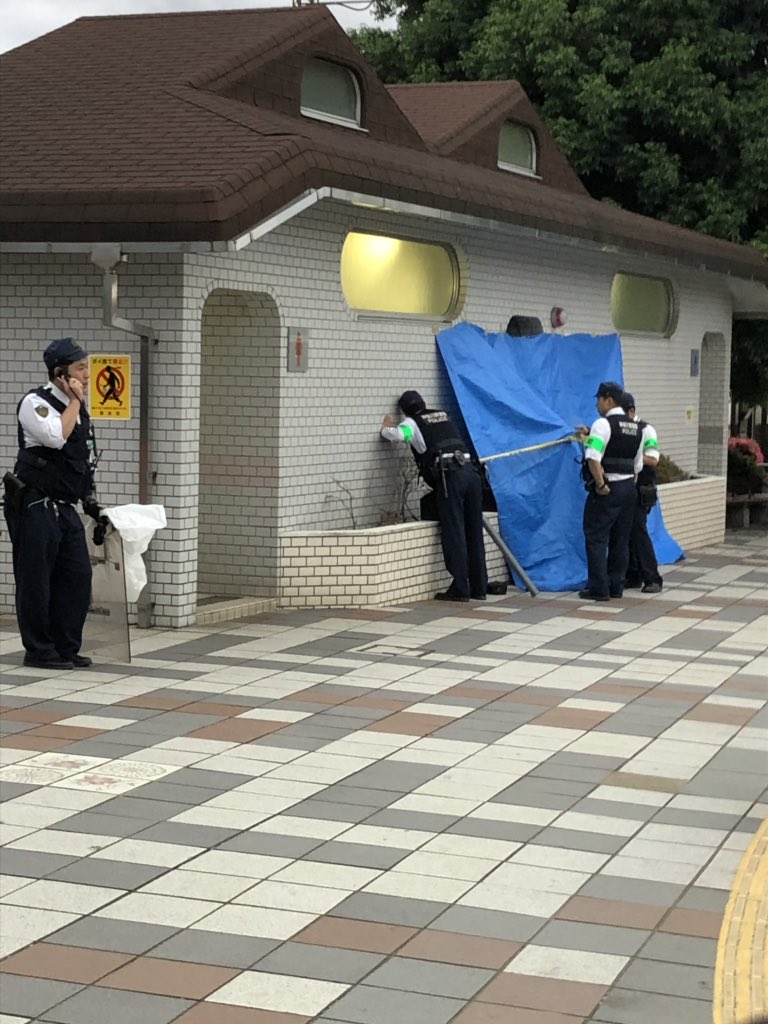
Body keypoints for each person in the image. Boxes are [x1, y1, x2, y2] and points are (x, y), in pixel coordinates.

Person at [3, 338, 100, 669]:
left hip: (65, 506)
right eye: (80, 368)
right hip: (35, 504)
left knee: (77, 576)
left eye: (86, 367)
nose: (86, 374)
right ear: (60, 373)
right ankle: (40, 650)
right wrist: (74, 401)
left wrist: (91, 502)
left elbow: (82, 458)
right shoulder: (36, 402)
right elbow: (55, 438)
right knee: (36, 579)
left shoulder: (78, 408)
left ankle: (66, 646)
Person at [380, 390, 488, 601]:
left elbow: (399, 436)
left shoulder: (412, 423)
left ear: (404, 411)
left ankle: (460, 589)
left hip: (451, 478)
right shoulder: (442, 415)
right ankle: (479, 588)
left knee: (454, 531)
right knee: (474, 530)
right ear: (424, 403)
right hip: (471, 475)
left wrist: (387, 427)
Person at [576, 381, 643, 601]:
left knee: (596, 537)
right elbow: (637, 464)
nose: (597, 404)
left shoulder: (602, 424)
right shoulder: (636, 427)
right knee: (620, 541)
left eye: (599, 399)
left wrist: (600, 484)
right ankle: (616, 586)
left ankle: (599, 588)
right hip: (628, 488)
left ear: (609, 400)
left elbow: (593, 457)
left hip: (608, 488)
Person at [623, 393, 663, 594]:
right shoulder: (619, 429)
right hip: (625, 486)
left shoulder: (646, 430)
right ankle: (633, 575)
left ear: (632, 411)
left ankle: (652, 578)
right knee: (627, 531)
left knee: (638, 531)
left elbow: (653, 458)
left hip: (642, 488)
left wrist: (632, 459)